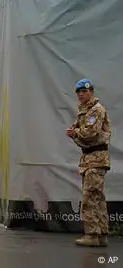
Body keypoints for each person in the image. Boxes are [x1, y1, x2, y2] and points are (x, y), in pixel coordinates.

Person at [66, 79, 111, 247]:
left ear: (92, 91)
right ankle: (101, 235)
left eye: (84, 91)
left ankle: (92, 234)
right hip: (91, 159)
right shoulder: (86, 111)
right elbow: (83, 140)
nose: (80, 94)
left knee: (90, 197)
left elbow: (90, 134)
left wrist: (76, 132)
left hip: (95, 159)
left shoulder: (95, 110)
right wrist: (76, 134)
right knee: (97, 198)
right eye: (78, 92)